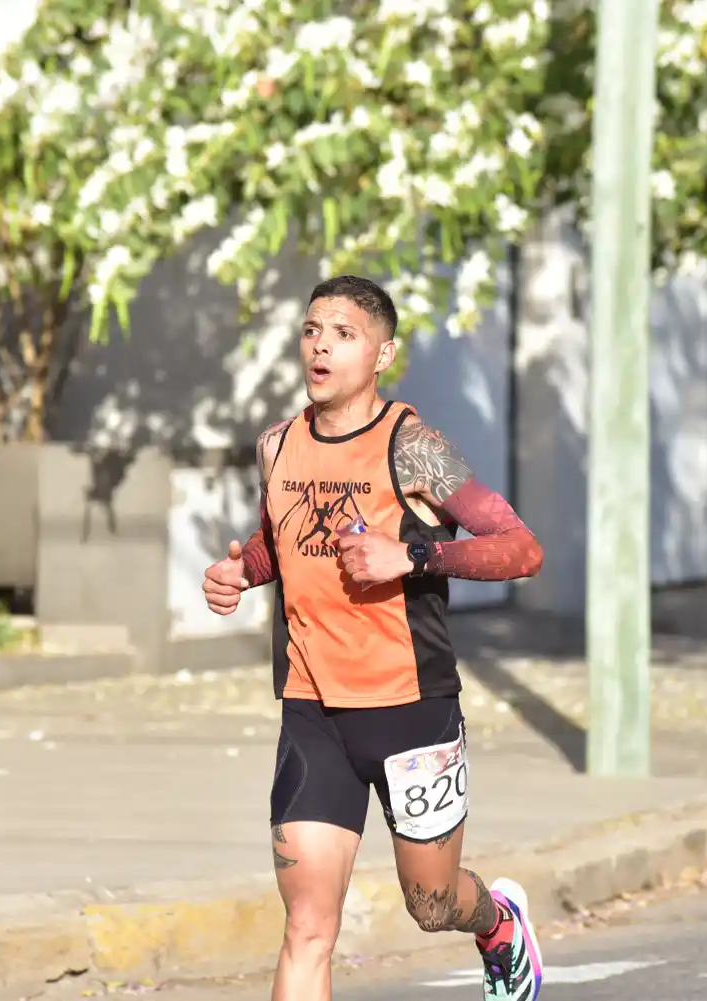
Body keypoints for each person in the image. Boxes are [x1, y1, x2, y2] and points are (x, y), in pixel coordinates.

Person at [202, 275, 546, 1001]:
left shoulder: (413, 448)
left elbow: (521, 548)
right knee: (306, 927)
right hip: (314, 711)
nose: (320, 346)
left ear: (382, 354)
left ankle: (498, 925)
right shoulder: (277, 445)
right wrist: (241, 573)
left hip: (410, 709)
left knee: (432, 903)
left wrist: (413, 556)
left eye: (344, 334)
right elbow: (279, 543)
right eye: (311, 330)